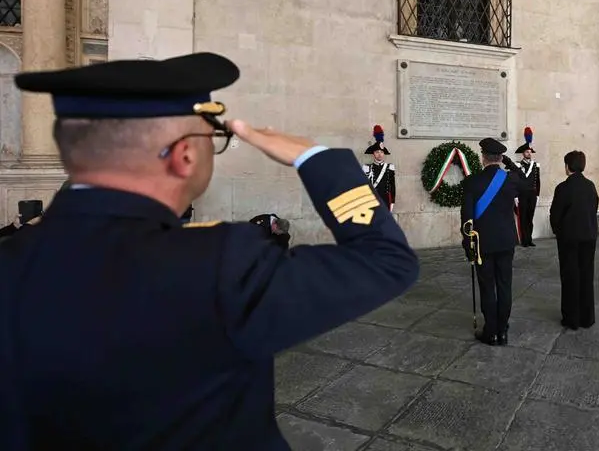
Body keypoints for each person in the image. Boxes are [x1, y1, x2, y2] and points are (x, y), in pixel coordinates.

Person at [0, 52, 419, 450]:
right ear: (184, 155)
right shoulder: (221, 264)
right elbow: (386, 260)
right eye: (211, 138)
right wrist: (318, 158)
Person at [460, 138, 529, 346]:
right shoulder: (511, 179)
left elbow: (467, 220)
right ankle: (503, 330)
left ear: (483, 157)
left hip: (483, 245)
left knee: (487, 286)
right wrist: (511, 164)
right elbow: (528, 185)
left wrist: (468, 246)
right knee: (505, 285)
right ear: (500, 158)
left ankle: (491, 332)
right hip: (506, 242)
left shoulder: (472, 182)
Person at [549, 150, 599, 330]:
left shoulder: (563, 188)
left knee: (570, 277)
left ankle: (572, 318)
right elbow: (593, 208)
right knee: (586, 276)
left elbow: (555, 215)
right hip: (588, 237)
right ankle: (587, 317)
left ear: (567, 166)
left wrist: (558, 231)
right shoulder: (590, 185)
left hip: (569, 239)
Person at [513, 127, 540, 247]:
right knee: (523, 217)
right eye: (527, 152)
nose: (529, 153)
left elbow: (538, 180)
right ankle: (524, 240)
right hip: (522, 195)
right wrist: (515, 196)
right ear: (523, 153)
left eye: (530, 152)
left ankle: (529, 239)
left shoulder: (536, 165)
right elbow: (514, 182)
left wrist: (538, 194)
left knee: (530, 217)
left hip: (532, 194)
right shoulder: (517, 165)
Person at [362, 124, 396, 212]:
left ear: (384, 153)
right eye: (377, 152)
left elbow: (392, 186)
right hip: (372, 200)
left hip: (386, 200)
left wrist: (392, 202)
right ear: (373, 154)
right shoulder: (366, 168)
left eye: (381, 152)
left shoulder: (389, 167)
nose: (379, 154)